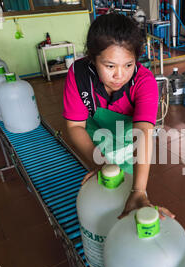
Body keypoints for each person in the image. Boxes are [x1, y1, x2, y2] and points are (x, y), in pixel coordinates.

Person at [63, 13, 174, 220]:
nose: (119, 75)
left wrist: (139, 191)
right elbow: (75, 126)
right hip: (95, 145)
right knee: (102, 199)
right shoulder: (79, 75)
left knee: (128, 196)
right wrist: (101, 163)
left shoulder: (144, 82)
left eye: (128, 65)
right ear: (92, 58)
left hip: (130, 147)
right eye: (110, 66)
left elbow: (142, 132)